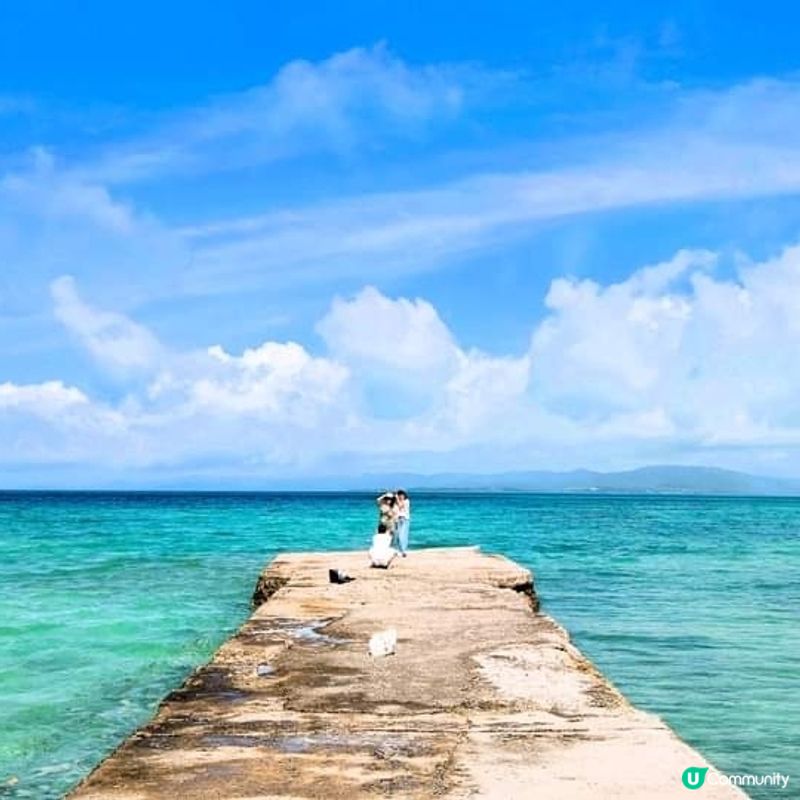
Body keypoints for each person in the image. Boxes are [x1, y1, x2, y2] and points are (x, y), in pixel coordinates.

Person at [394, 489, 411, 556]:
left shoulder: (406, 501)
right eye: (399, 495)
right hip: (398, 519)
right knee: (397, 536)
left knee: (403, 535)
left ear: (404, 495)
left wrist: (397, 499)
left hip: (404, 519)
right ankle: (400, 550)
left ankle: (403, 551)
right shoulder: (397, 502)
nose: (400, 496)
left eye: (401, 495)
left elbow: (401, 506)